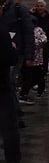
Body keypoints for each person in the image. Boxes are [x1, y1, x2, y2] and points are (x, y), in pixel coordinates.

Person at [0, 0, 35, 129]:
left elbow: (28, 32)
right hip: (2, 52)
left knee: (9, 82)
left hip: (15, 53)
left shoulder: (18, 8)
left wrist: (29, 55)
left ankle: (15, 116)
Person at [0, 19, 20, 163]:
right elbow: (11, 58)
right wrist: (12, 48)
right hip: (1, 88)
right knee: (9, 128)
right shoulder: (1, 30)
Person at [31, 0, 49, 97]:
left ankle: (42, 84)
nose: (40, 8)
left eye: (41, 6)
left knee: (44, 64)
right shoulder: (33, 17)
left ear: (45, 7)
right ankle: (36, 83)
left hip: (46, 44)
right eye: (38, 6)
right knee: (36, 64)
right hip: (35, 44)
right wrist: (30, 12)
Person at [19, 18, 47, 105]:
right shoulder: (31, 30)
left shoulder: (34, 30)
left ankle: (29, 91)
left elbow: (43, 40)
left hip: (32, 57)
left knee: (33, 76)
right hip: (32, 58)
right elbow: (43, 40)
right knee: (31, 76)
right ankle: (25, 93)